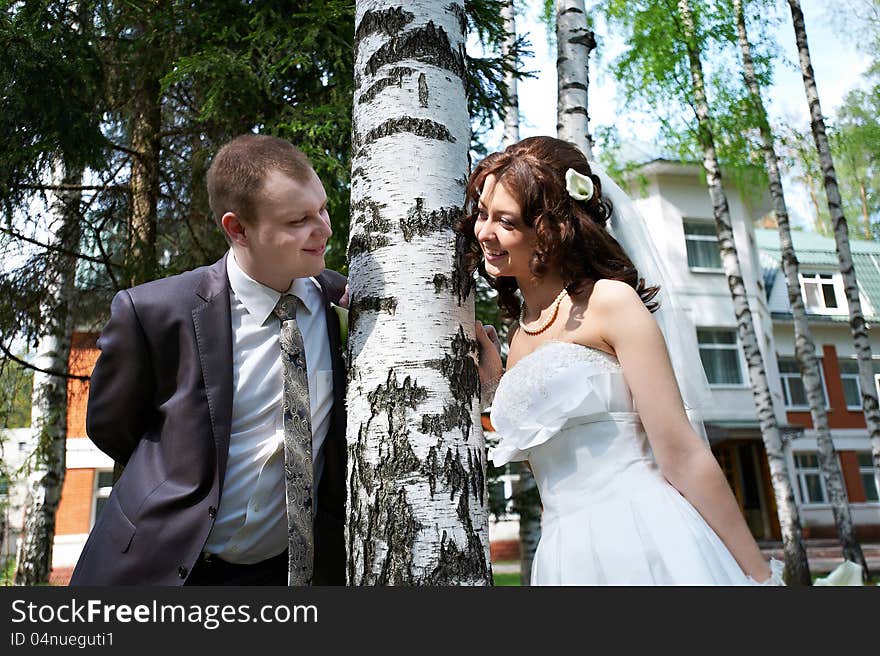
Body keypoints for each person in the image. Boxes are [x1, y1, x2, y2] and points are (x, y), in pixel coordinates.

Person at [462, 136, 783, 585]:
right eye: (482, 214)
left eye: (505, 221)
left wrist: (761, 578)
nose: (484, 233)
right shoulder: (519, 333)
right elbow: (546, 450)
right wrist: (496, 386)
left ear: (551, 229)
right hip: (564, 553)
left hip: (643, 536)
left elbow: (683, 453)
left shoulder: (610, 302)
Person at [70, 134, 348, 586]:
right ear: (237, 228)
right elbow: (113, 428)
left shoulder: (346, 303)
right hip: (162, 567)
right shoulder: (156, 313)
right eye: (298, 220)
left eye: (322, 209)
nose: (324, 229)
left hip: (286, 576)